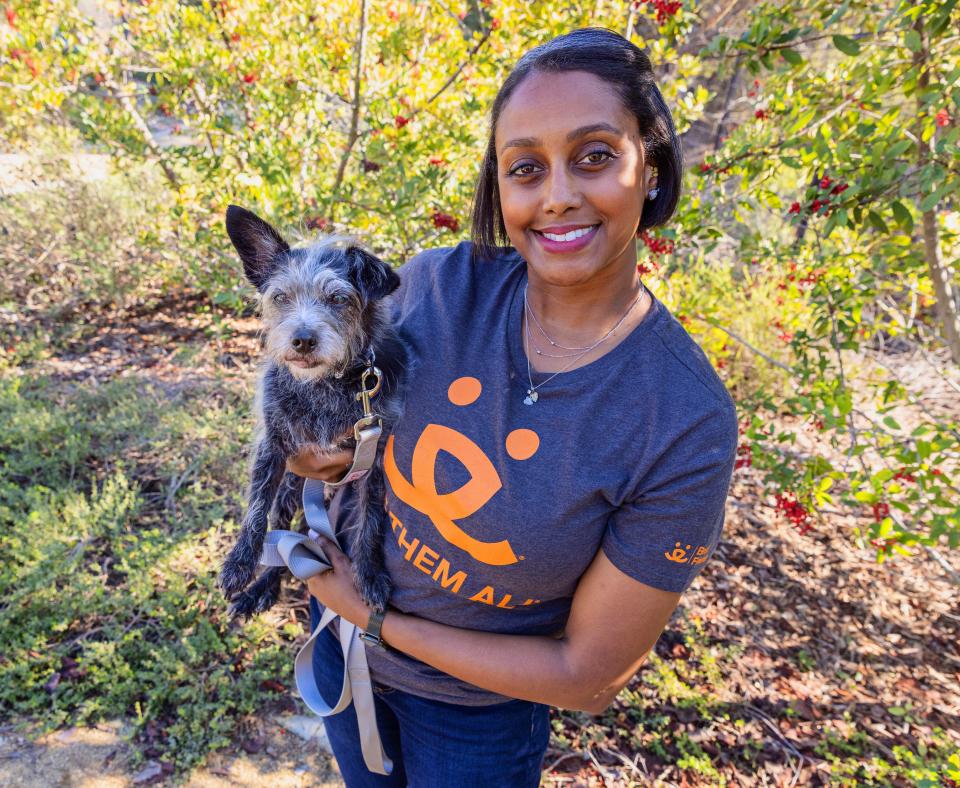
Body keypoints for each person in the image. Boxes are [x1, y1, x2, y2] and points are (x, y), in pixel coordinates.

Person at [286, 26, 739, 787]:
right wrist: (315, 449)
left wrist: (378, 619)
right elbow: (319, 414)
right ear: (499, 187)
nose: (558, 194)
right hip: (341, 650)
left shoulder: (682, 420)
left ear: (651, 168)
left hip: (477, 717)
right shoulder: (434, 289)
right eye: (525, 168)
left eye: (595, 156)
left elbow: (586, 676)